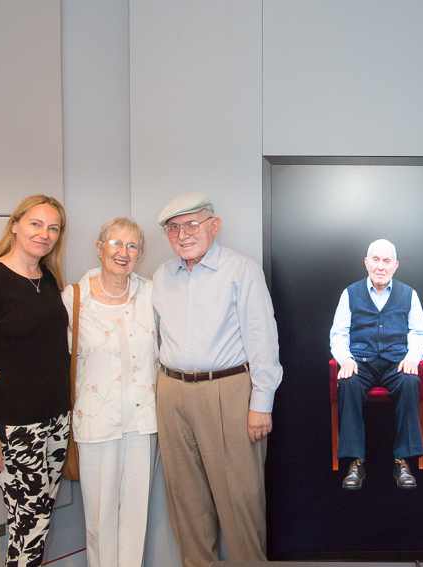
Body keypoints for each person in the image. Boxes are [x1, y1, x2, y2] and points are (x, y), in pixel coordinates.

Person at [152, 192, 282, 567]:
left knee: (240, 501)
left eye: (192, 224)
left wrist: (261, 404)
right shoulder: (162, 276)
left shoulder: (241, 269)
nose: (183, 234)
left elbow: (262, 338)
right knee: (185, 501)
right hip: (172, 392)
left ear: (214, 225)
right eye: (173, 228)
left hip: (228, 391)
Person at [0, 195, 70, 567]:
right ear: (15, 225)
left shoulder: (49, 279)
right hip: (14, 425)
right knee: (28, 523)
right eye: (36, 224)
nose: (45, 233)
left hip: (56, 420)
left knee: (38, 519)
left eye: (53, 227)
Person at [60, 217, 158, 567]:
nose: (123, 252)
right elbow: (41, 350)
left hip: (143, 420)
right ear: (99, 247)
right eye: (116, 243)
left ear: (141, 254)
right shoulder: (73, 299)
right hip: (96, 425)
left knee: (136, 518)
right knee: (99, 522)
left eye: (132, 246)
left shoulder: (150, 293)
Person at [329, 239, 423, 489]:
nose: (381, 266)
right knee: (348, 382)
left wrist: (412, 357)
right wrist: (345, 359)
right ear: (366, 263)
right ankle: (355, 462)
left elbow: (419, 332)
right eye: (376, 260)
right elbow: (338, 333)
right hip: (361, 361)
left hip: (397, 361)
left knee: (409, 381)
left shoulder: (409, 294)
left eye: (386, 261)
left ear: (395, 266)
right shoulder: (350, 293)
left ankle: (402, 460)